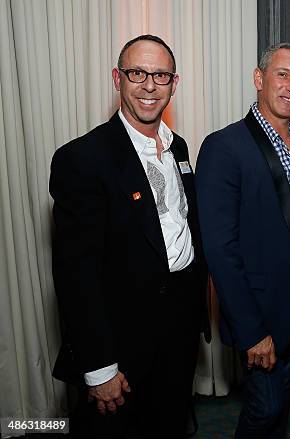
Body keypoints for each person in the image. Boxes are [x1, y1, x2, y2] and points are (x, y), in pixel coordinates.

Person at [50, 34, 210, 438]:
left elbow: (180, 227)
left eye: (161, 75)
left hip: (180, 330)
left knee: (170, 424)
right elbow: (76, 274)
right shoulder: (82, 159)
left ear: (175, 83)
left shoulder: (179, 148)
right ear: (116, 78)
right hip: (122, 342)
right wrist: (99, 366)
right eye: (138, 72)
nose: (150, 85)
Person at [196, 43, 290, 439]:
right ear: (259, 79)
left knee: (281, 399)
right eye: (282, 74)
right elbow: (220, 250)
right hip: (259, 306)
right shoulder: (224, 146)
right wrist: (252, 330)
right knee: (266, 405)